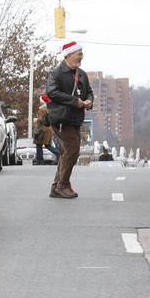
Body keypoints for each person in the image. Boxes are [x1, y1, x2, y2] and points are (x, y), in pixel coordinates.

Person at [46, 40, 94, 199]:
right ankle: (62, 185)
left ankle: (56, 186)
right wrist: (75, 102)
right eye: (79, 54)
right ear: (69, 55)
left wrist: (88, 101)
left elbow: (89, 92)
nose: (82, 57)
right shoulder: (56, 73)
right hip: (60, 118)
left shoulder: (82, 74)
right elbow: (52, 92)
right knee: (73, 149)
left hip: (75, 118)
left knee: (67, 151)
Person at [33, 99, 59, 165]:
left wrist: (36, 121)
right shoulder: (50, 108)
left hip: (42, 129)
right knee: (48, 145)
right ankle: (59, 155)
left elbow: (40, 119)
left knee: (39, 145)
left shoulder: (42, 109)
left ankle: (40, 160)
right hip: (49, 129)